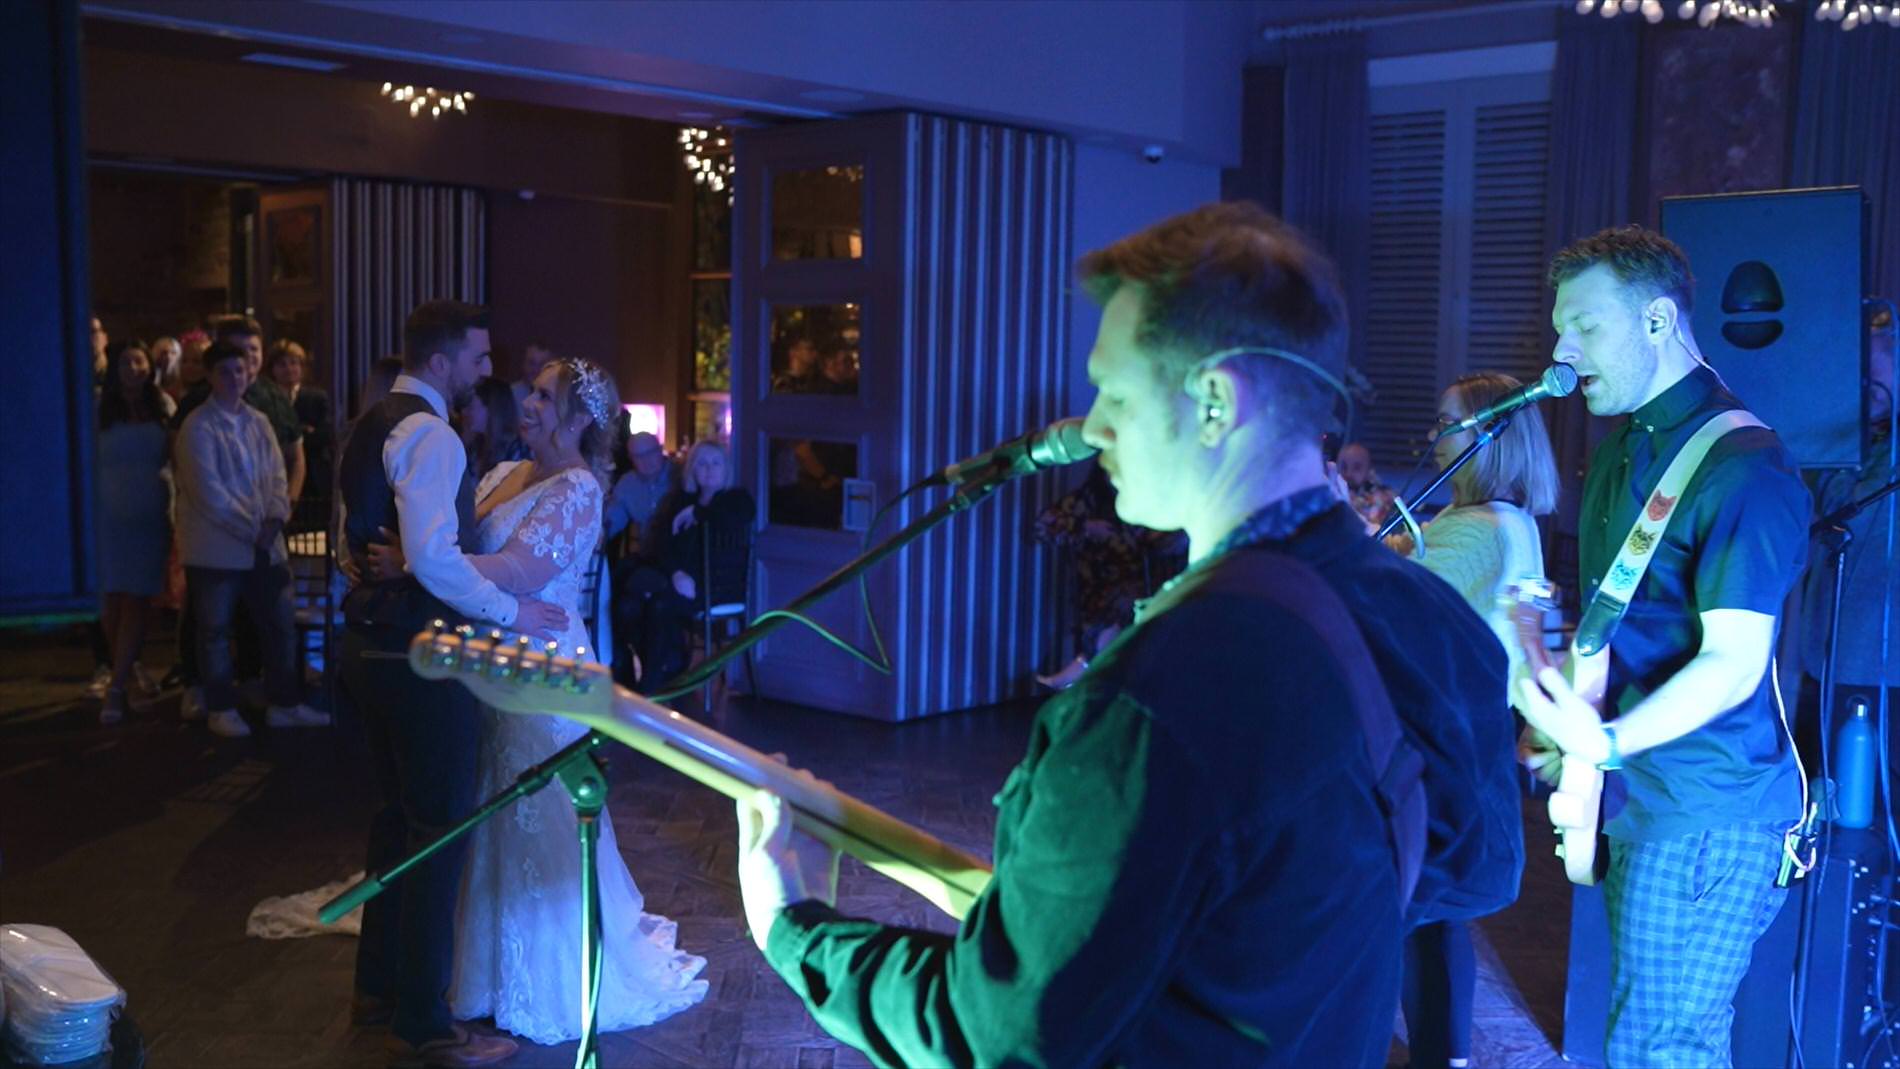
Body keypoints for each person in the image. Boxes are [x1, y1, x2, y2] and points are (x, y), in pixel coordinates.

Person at [733, 202, 1513, 1067]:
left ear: (1214, 400)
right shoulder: (1436, 620)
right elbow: (1482, 871)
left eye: (1114, 390)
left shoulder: (1152, 695)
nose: (1091, 426)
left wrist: (795, 928)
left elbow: (993, 1034)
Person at [1514, 226, 1810, 1067]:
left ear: (1656, 321)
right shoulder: (1620, 451)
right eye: (1558, 328)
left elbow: (1733, 664)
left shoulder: (1744, 466)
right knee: (1644, 1038)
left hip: (1707, 807)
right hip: (1640, 792)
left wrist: (1601, 740)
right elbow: (1611, 626)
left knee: (1661, 1048)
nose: (1562, 352)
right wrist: (1568, 726)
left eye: (1584, 326)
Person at [359, 358, 710, 1042]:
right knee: (479, 802)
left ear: (579, 418)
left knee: (533, 806)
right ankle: (472, 961)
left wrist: (413, 561)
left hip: (541, 663)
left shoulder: (579, 488)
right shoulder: (506, 471)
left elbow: (524, 568)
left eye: (545, 396)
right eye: (533, 392)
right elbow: (457, 542)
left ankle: (535, 969)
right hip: (487, 658)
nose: (529, 403)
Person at [335, 301, 564, 1067]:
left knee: (395, 823)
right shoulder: (431, 434)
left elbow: (351, 541)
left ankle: (377, 988)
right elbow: (433, 560)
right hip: (419, 654)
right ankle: (424, 1020)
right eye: (477, 357)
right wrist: (514, 609)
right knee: (437, 834)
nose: (485, 371)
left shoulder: (373, 422)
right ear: (440, 362)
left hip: (368, 647)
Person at [1389, 371, 1559, 1069]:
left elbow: (1382, 588)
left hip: (1443, 744)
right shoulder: (1503, 521)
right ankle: (1443, 1055)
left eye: (1447, 422)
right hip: (1469, 737)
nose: (1436, 436)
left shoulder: (1481, 528)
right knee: (1432, 918)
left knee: (1411, 911)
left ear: (1489, 438)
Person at [172, 340, 327, 740]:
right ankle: (220, 705)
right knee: (215, 630)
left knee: (279, 624)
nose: (234, 378)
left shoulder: (258, 421)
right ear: (210, 376)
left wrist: (276, 515)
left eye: (240, 370)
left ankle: (284, 702)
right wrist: (254, 527)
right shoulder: (198, 426)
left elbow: (278, 473)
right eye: (225, 371)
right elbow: (209, 493)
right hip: (217, 548)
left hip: (264, 542)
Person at [1798, 303, 1900, 804]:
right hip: (1827, 659)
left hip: (1886, 670)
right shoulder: (1846, 440)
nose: (1862, 381)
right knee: (1825, 801)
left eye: (1874, 366)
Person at [1031, 461, 1184, 690]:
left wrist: (1172, 538)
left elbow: (1159, 540)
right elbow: (1043, 527)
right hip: (1101, 583)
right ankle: (1089, 673)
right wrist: (1085, 527)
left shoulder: (1141, 499)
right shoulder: (1088, 500)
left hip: (1142, 582)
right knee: (1112, 617)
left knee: (1133, 617)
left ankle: (1088, 670)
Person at [619, 440, 754, 693]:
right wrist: (676, 573)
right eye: (701, 463)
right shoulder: (680, 500)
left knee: (660, 605)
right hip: (680, 581)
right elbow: (662, 545)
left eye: (715, 463)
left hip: (716, 586)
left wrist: (699, 513)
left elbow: (738, 515)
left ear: (726, 468)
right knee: (629, 605)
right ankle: (647, 670)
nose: (708, 469)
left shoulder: (736, 499)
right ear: (692, 469)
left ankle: (652, 684)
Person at [95, 340, 176, 724]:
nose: (134, 368)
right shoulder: (97, 406)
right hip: (106, 513)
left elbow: (179, 456)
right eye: (126, 361)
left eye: (139, 361)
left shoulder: (163, 407)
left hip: (149, 513)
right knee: (111, 600)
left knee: (138, 600)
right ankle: (124, 680)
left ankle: (117, 686)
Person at [267, 339, 334, 531]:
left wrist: (297, 439)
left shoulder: (316, 398)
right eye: (282, 364)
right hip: (278, 476)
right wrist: (304, 430)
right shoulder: (268, 399)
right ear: (272, 369)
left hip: (314, 478)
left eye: (294, 363)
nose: (289, 368)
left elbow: (325, 435)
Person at [455, 376, 527, 481]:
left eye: (470, 407)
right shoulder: (476, 444)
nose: (464, 412)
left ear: (491, 409)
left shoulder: (517, 450)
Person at [1338, 441, 1397, 531]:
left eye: (1357, 468)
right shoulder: (1330, 495)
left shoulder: (1386, 497)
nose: (1348, 473)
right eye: (1344, 467)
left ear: (1369, 470)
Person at [509, 341, 555, 407]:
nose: (536, 370)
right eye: (531, 363)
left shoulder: (557, 399)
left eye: (542, 364)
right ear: (523, 364)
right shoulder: (509, 395)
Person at [149, 335, 183, 401]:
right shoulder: (152, 376)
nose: (168, 357)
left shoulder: (182, 377)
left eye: (173, 353)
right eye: (164, 353)